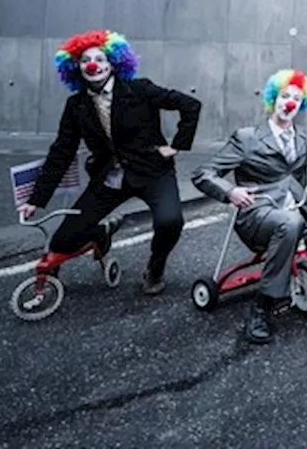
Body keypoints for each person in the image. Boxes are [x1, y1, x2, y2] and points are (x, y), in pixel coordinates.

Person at [19, 30, 201, 295]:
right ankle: (100, 233)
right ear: (75, 67)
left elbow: (190, 105)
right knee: (64, 241)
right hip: (109, 177)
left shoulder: (140, 89)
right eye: (85, 60)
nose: (93, 65)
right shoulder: (76, 105)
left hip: (151, 172)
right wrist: (36, 199)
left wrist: (176, 146)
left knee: (170, 221)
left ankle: (155, 267)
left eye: (100, 59)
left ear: (113, 63)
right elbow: (62, 152)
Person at [192, 69, 307, 344]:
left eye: (296, 98)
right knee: (288, 223)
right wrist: (231, 191)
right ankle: (262, 307)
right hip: (259, 216)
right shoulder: (247, 138)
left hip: (303, 214)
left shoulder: (306, 137)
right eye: (284, 96)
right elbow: (204, 173)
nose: (289, 103)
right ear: (273, 99)